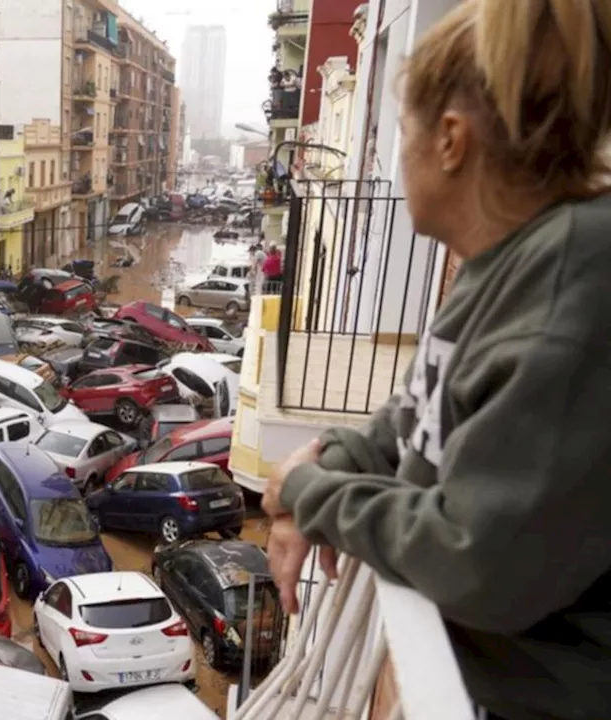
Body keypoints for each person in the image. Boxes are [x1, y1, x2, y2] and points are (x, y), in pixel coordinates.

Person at [259, 1, 611, 719]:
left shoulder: (570, 284)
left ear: (451, 140)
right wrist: (333, 458)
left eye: (402, 132)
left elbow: (475, 559)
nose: (399, 154)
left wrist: (311, 496)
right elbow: (412, 417)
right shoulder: (501, 264)